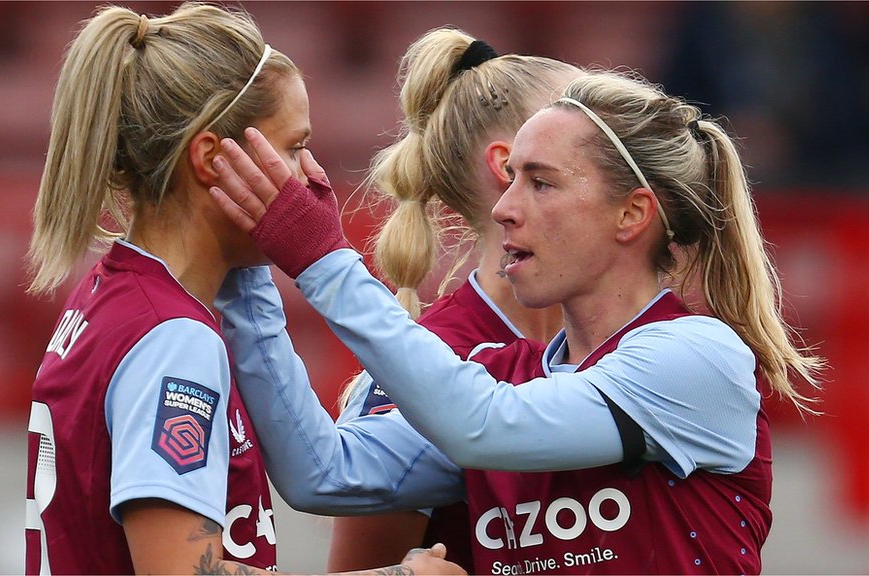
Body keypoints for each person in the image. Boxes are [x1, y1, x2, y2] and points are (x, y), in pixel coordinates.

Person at [208, 68, 824, 574]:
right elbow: (324, 475)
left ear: (632, 214)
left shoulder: (695, 358)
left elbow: (481, 425)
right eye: (510, 180)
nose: (503, 209)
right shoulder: (492, 370)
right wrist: (248, 268)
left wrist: (324, 261)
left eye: (541, 183)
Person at [23, 3, 464, 575]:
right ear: (210, 158)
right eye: (293, 147)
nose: (310, 175)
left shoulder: (112, 295)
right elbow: (179, 572)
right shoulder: (174, 338)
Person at [327, 29, 578, 572]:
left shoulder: (642, 336)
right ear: (511, 165)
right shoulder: (423, 362)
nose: (617, 150)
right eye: (588, 128)